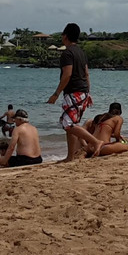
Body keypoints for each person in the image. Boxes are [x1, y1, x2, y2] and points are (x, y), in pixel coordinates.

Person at [48, 23, 100, 161]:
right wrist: (88, 93)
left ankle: (95, 142)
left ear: (65, 36)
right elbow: (87, 74)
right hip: (82, 92)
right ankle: (70, 156)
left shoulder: (67, 53)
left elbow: (67, 74)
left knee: (68, 124)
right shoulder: (81, 52)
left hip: (73, 92)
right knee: (71, 124)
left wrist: (56, 94)